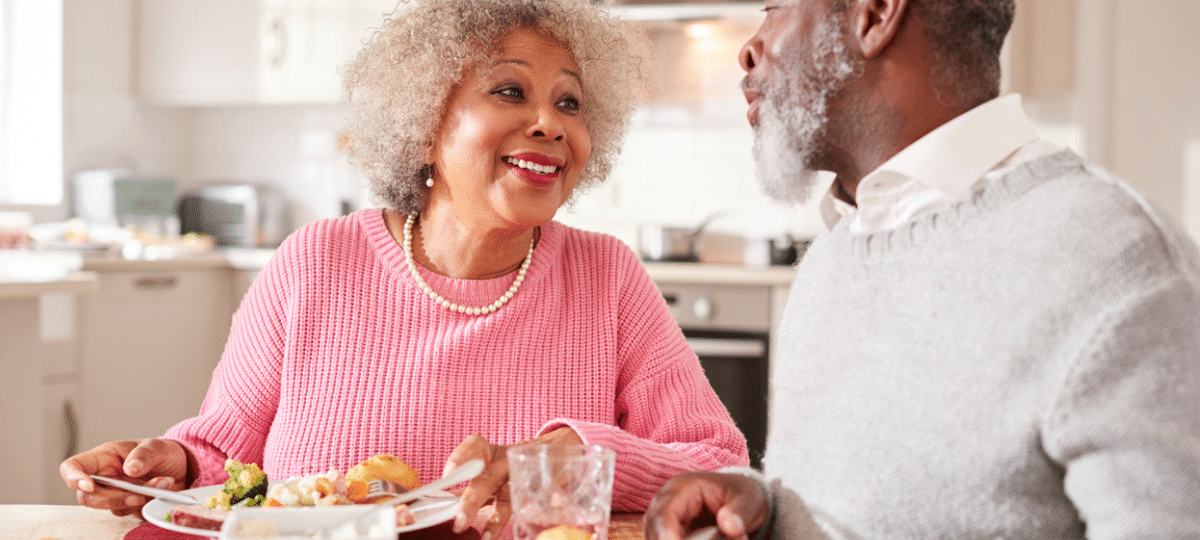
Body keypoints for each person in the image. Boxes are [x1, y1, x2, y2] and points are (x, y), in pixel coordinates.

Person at [59, 0, 749, 537]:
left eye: (569, 101)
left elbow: (720, 464)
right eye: (509, 91)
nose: (549, 121)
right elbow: (222, 453)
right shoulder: (314, 262)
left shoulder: (607, 278)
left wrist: (570, 456)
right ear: (425, 124)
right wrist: (162, 469)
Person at [645, 0, 1200, 538]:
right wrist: (762, 506)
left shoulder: (1115, 263)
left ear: (876, 13)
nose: (748, 49)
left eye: (775, 7)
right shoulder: (844, 243)